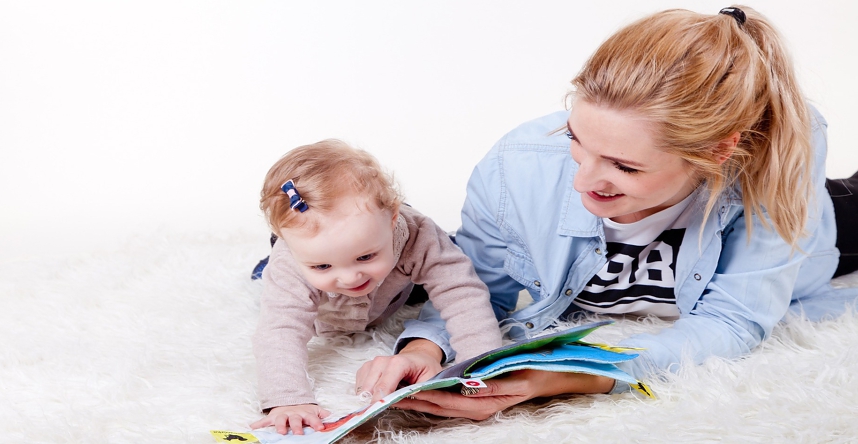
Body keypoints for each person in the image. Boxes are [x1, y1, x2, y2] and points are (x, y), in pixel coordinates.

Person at [355, 6, 858, 421]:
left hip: (826, 223)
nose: (581, 182)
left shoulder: (775, 160)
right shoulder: (517, 168)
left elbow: (736, 319)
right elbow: (475, 285)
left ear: (720, 153)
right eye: (577, 139)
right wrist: (425, 348)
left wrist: (579, 374)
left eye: (623, 166)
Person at [249, 139, 503, 434]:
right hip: (322, 305)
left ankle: (397, 258)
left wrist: (481, 366)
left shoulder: (416, 233)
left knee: (452, 259)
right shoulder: (290, 262)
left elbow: (461, 293)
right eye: (322, 266)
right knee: (269, 282)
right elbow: (280, 329)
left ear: (393, 218)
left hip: (393, 289)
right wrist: (287, 399)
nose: (350, 278)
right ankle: (266, 267)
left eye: (365, 256)